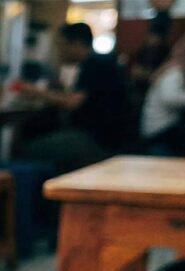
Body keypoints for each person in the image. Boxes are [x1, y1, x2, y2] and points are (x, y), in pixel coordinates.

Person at [17, 23, 128, 171]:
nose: (59, 51)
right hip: (104, 137)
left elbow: (73, 103)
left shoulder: (95, 63)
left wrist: (37, 93)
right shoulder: (98, 62)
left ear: (76, 44)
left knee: (30, 149)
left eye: (61, 45)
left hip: (99, 139)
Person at [141, 29, 185, 156]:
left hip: (164, 132)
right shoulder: (175, 71)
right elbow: (170, 98)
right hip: (159, 134)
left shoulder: (174, 68)